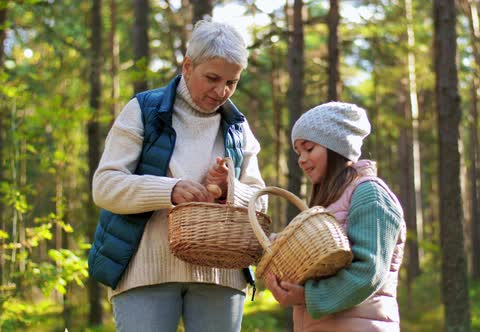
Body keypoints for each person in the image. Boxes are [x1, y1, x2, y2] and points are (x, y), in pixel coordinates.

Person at [87, 19, 267, 332]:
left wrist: (230, 189)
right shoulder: (143, 110)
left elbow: (260, 202)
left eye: (231, 82)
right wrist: (169, 191)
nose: (221, 91)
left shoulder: (238, 127)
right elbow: (105, 187)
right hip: (146, 271)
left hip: (221, 274)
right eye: (212, 78)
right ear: (187, 66)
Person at [264, 102, 406, 332]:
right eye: (298, 152)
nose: (301, 159)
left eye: (309, 148)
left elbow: (369, 271)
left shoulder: (370, 194)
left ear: (337, 147)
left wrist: (308, 296)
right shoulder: (329, 204)